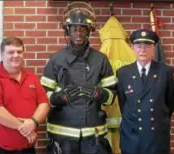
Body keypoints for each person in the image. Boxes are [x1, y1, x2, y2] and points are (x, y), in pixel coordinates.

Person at [40, 2, 117, 154]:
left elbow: (111, 95)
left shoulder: (101, 59)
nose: (78, 33)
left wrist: (99, 94)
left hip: (93, 136)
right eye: (74, 29)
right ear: (68, 31)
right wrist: (57, 97)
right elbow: (42, 96)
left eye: (83, 29)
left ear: (89, 31)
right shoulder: (56, 59)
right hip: (63, 136)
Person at [0, 37, 50, 154]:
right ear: (2, 54)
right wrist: (26, 129)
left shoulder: (31, 77)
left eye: (19, 52)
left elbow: (44, 103)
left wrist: (33, 122)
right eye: (11, 52)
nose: (16, 55)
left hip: (27, 149)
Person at [116, 29, 174, 154]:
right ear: (133, 48)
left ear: (154, 48)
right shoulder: (123, 73)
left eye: (147, 46)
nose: (142, 50)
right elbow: (123, 104)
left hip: (156, 137)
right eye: (139, 46)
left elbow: (171, 102)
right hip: (131, 136)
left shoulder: (165, 72)